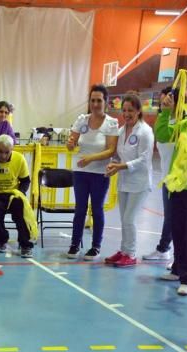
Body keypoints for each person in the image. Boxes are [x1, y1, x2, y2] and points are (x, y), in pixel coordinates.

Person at [154, 88, 187, 295]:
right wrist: (165, 112)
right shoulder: (185, 125)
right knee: (178, 231)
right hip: (177, 187)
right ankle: (180, 270)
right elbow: (163, 135)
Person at [66, 83, 118, 260]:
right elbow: (71, 143)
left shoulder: (111, 123)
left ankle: (95, 246)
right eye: (92, 100)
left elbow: (111, 150)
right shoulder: (81, 120)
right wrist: (70, 144)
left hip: (99, 174)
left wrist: (91, 158)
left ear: (106, 102)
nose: (95, 104)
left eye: (99, 100)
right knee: (80, 209)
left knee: (97, 209)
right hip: (80, 173)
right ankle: (74, 244)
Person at [105, 93, 154, 267]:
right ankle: (123, 251)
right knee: (123, 219)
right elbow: (119, 155)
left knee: (129, 219)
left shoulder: (145, 132)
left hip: (139, 183)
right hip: (124, 181)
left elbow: (144, 159)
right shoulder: (121, 130)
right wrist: (113, 165)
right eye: (124, 110)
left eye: (130, 111)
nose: (126, 114)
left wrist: (121, 166)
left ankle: (131, 254)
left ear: (139, 111)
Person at [0, 134, 36, 257]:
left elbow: (25, 181)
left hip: (13, 194)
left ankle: (25, 244)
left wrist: (20, 193)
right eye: (0, 152)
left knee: (21, 210)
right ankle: (1, 240)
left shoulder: (19, 159)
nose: (3, 156)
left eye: (7, 152)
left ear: (12, 149)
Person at [142, 86, 178, 262]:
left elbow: (163, 136)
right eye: (163, 100)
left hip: (180, 181)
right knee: (170, 217)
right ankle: (164, 249)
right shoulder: (164, 120)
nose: (164, 103)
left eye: (168, 99)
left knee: (176, 219)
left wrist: (167, 114)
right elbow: (161, 134)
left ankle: (170, 253)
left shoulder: (180, 124)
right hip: (167, 178)